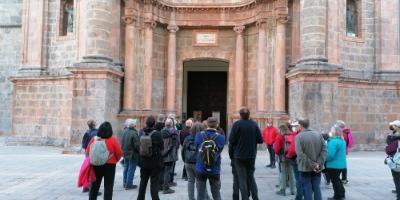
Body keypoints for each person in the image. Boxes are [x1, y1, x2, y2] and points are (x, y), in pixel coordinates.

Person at [229, 107, 263, 200]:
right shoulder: (254, 124)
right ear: (249, 115)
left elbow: (231, 140)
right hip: (251, 155)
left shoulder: (237, 124)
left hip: (239, 156)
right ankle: (255, 197)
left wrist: (231, 154)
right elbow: (260, 140)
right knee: (251, 177)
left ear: (240, 115)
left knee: (242, 178)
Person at [86, 121, 122, 200]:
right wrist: (115, 160)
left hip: (96, 164)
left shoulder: (94, 139)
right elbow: (119, 153)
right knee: (108, 187)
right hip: (110, 165)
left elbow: (88, 151)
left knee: (94, 186)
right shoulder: (113, 140)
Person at [295, 118, 327, 200]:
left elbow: (300, 154)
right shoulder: (318, 134)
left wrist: (314, 164)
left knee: (307, 188)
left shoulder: (299, 137)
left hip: (305, 167)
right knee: (316, 188)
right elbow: (324, 150)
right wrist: (318, 164)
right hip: (317, 167)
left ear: (300, 125)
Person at [195, 117, 225, 200]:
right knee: (216, 194)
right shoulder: (221, 137)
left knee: (200, 194)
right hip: (214, 168)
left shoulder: (199, 135)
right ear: (217, 125)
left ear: (206, 124)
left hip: (201, 167)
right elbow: (220, 150)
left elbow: (197, 148)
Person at [137, 116, 164, 200]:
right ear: (154, 123)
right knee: (154, 183)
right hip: (154, 162)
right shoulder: (157, 134)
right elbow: (162, 146)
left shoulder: (141, 132)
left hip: (144, 161)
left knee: (143, 182)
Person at [326, 125, 347, 200]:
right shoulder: (342, 140)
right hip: (341, 165)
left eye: (331, 130)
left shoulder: (333, 141)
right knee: (337, 180)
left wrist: (324, 159)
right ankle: (341, 194)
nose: (330, 132)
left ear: (334, 132)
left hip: (333, 165)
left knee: (335, 181)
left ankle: (337, 196)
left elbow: (330, 155)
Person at [274, 123, 295, 196]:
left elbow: (276, 149)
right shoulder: (292, 135)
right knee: (291, 173)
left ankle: (283, 190)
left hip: (282, 157)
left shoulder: (280, 136)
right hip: (291, 156)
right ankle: (293, 190)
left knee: (283, 173)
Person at [161, 118, 179, 194]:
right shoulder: (174, 132)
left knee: (162, 171)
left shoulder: (161, 131)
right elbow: (176, 144)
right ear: (172, 124)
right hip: (169, 155)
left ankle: (162, 186)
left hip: (162, 155)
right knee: (167, 172)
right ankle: (166, 188)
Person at [120, 119, 140, 190]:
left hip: (125, 153)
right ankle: (129, 184)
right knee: (131, 168)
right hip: (132, 154)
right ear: (134, 125)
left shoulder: (124, 131)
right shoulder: (134, 133)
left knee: (126, 168)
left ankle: (125, 183)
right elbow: (137, 145)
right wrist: (139, 151)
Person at [287, 120, 304, 200]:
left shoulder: (297, 135)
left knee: (298, 179)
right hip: (303, 159)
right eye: (292, 126)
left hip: (296, 158)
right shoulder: (302, 134)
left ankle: (299, 197)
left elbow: (292, 149)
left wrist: (288, 155)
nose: (293, 128)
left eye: (295, 126)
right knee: (303, 178)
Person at [81, 120, 98, 193]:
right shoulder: (96, 133)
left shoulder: (87, 132)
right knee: (93, 170)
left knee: (88, 169)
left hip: (87, 153)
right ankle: (91, 188)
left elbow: (84, 145)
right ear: (94, 125)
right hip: (93, 152)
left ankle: (85, 187)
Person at [335, 120, 353, 184]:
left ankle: (341, 178)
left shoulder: (342, 133)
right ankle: (344, 178)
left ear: (339, 126)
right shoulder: (347, 131)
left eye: (336, 125)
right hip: (344, 150)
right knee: (343, 164)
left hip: (340, 151)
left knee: (340, 164)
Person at [386, 120, 400, 200]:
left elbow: (388, 149)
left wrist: (389, 137)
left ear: (398, 128)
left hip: (396, 161)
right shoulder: (394, 136)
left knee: (397, 178)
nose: (391, 128)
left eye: (393, 126)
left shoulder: (395, 138)